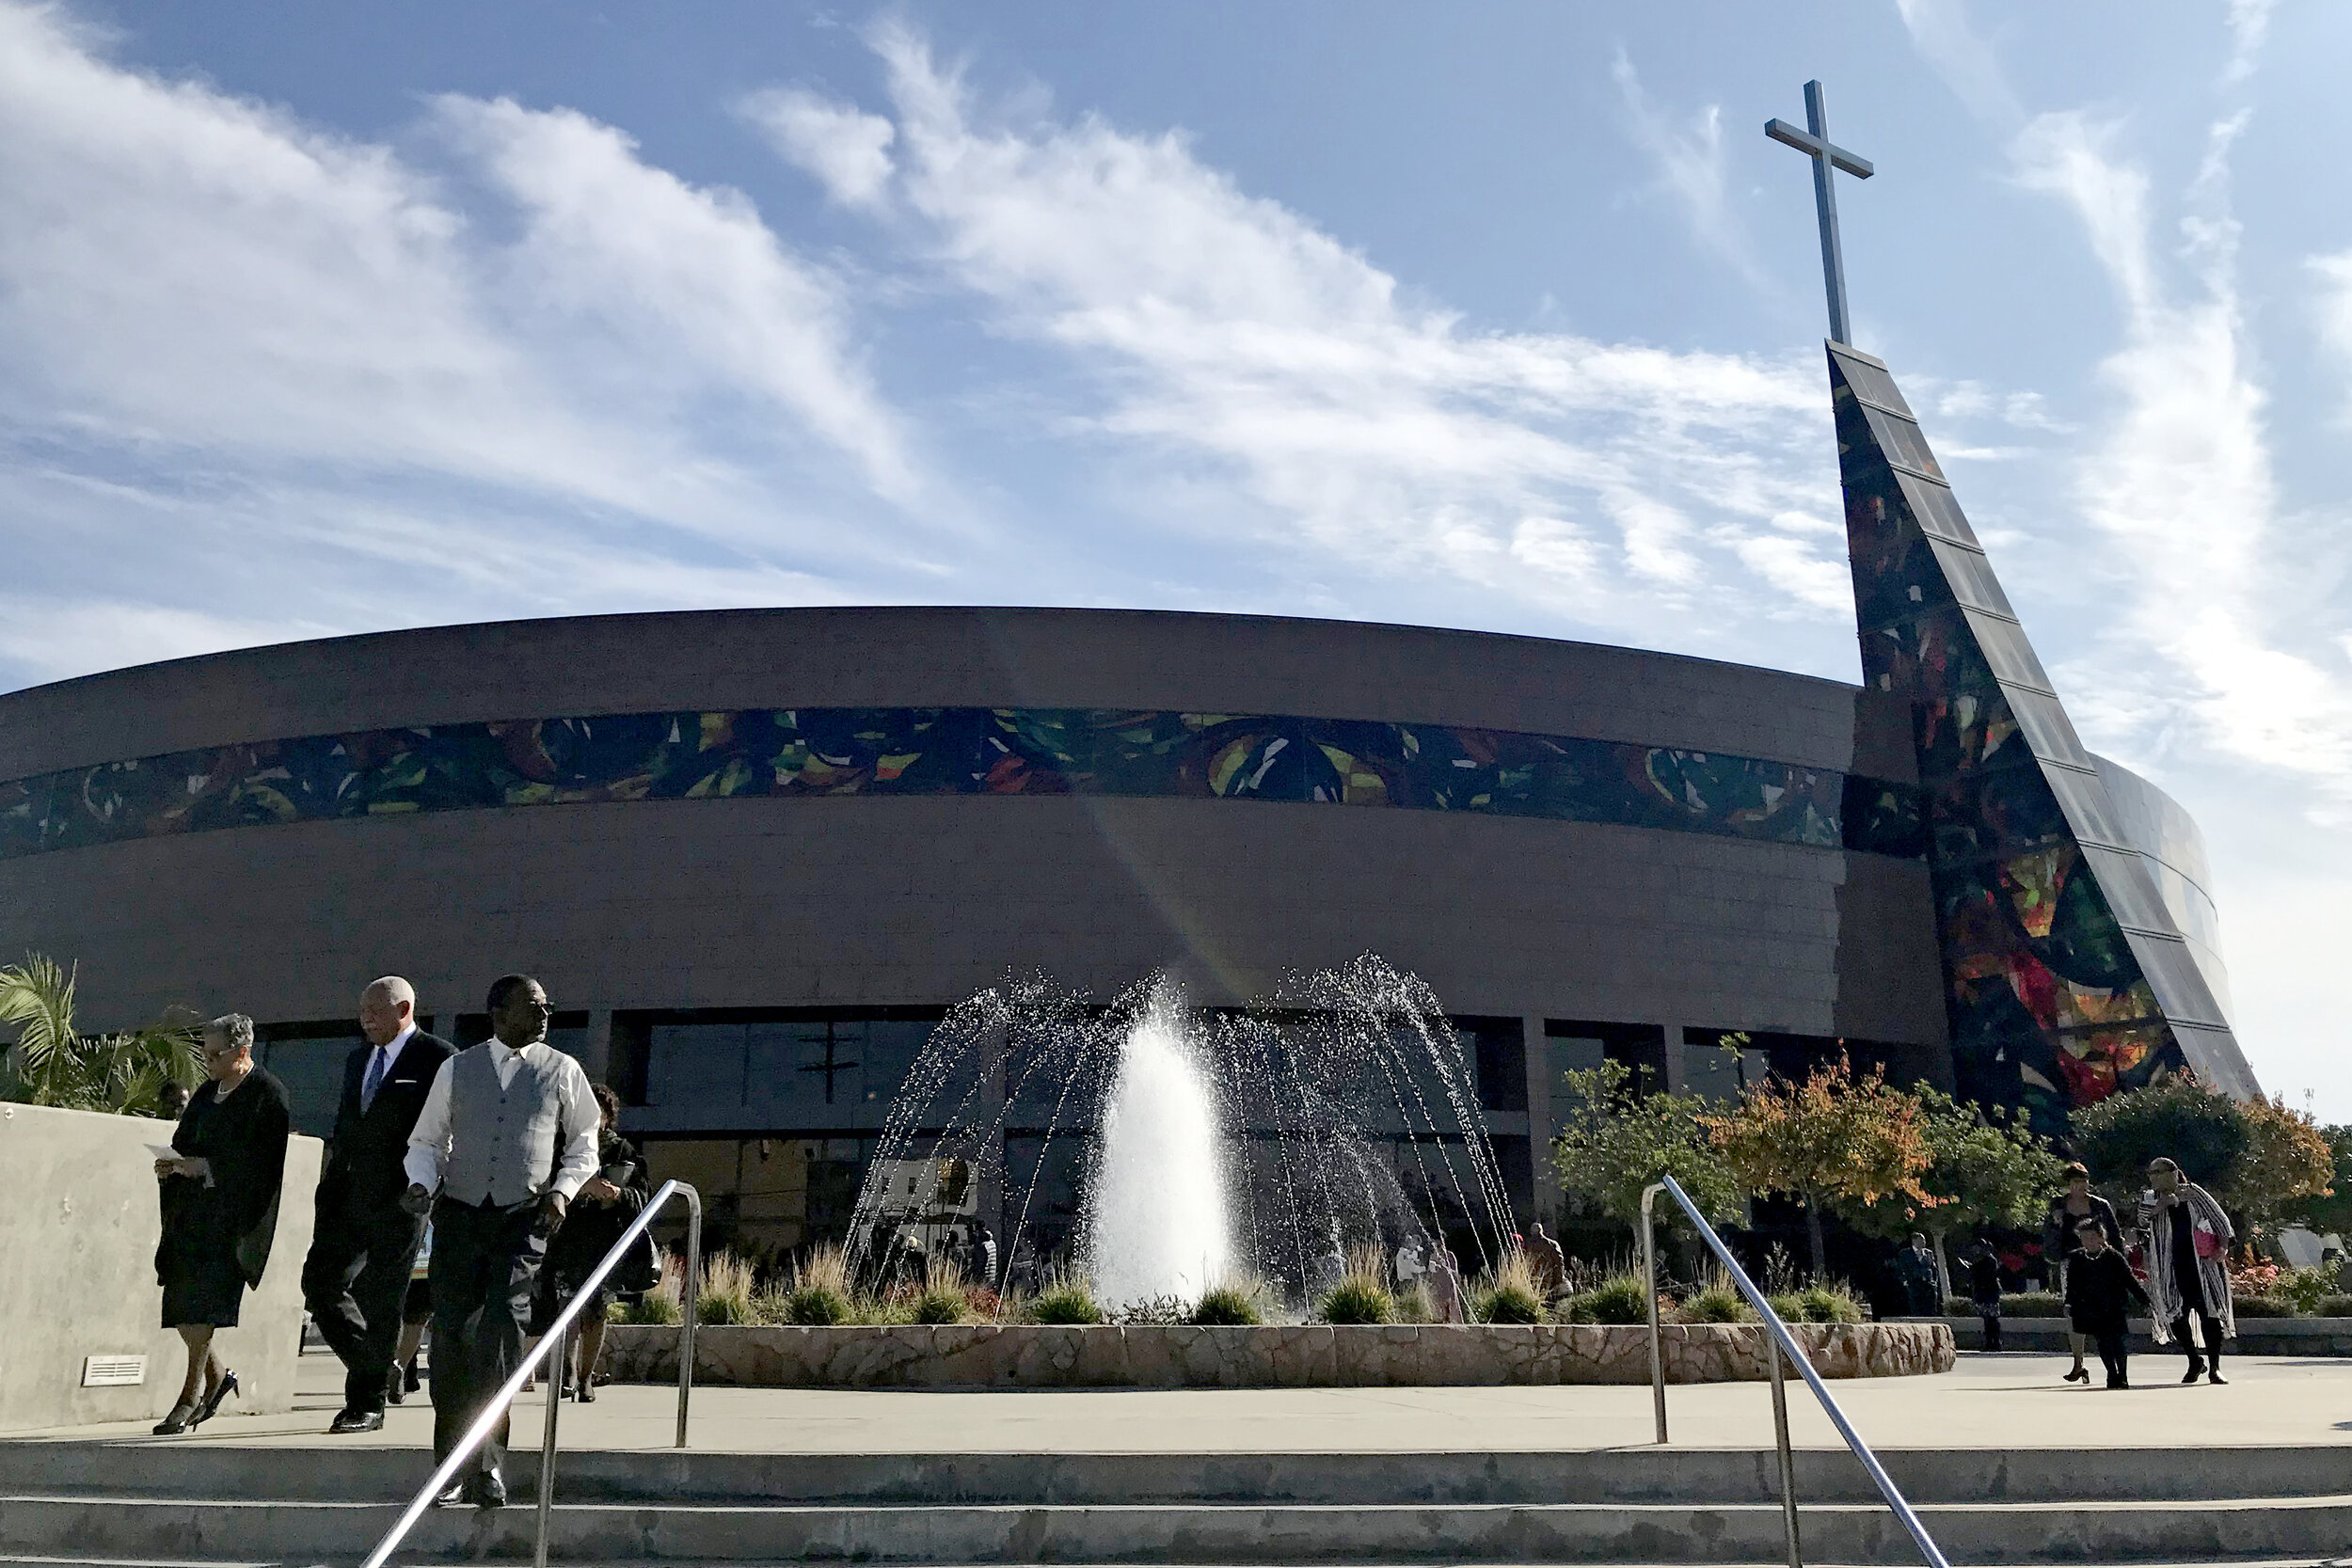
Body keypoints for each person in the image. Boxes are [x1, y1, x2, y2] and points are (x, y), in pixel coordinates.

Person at [403, 974, 598, 1509]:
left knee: (501, 1331)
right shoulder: (457, 1068)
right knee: (452, 1337)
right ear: (497, 1012)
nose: (544, 1013)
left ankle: (488, 1466)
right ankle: (448, 1468)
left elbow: (585, 1143)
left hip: (524, 1217)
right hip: (460, 1216)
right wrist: (422, 1182)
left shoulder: (562, 1069)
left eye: (546, 1004)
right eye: (533, 1005)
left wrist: (562, 1191)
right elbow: (426, 1140)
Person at [301, 978, 454, 1434]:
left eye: (374, 1009)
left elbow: (447, 1127)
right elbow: (347, 1124)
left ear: (403, 1009)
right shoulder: (357, 1057)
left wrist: (430, 1184)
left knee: (382, 1298)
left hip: (402, 1199)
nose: (364, 1018)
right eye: (361, 1010)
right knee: (320, 1284)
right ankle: (380, 1367)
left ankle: (366, 1404)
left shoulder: (438, 1058)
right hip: (346, 1196)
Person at [151, 1015, 290, 1435]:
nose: (208, 1062)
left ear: (242, 1051)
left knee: (204, 1309)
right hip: (191, 1218)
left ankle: (189, 1396)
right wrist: (171, 1165)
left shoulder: (267, 1094)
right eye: (205, 1053)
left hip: (231, 1223)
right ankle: (219, 1377)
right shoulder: (207, 1093)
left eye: (215, 1054)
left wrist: (206, 1167)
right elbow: (186, 1140)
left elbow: (264, 1165)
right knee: (180, 1309)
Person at [529, 1083, 648, 1403]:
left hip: (602, 1243)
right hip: (566, 1240)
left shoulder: (623, 1151)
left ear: (609, 1118)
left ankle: (585, 1378)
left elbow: (643, 1196)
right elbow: (541, 1184)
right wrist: (574, 1189)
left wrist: (616, 1194)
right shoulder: (561, 1147)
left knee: (596, 1311)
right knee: (566, 1306)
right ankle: (566, 1371)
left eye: (600, 1114)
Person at [2137, 1156, 2234, 1386]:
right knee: (2174, 1315)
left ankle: (2215, 1367)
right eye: (2151, 1173)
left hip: (2201, 1265)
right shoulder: (2150, 1198)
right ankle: (2193, 1360)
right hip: (2169, 1266)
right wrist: (2162, 1205)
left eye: (2159, 1172)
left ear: (2173, 1172)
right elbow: (2141, 1221)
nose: (2154, 1177)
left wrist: (2222, 1248)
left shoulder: (2194, 1193)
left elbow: (2220, 1220)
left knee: (2209, 1314)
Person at [2042, 1162, 2123, 1384]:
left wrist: (2119, 1265)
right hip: (2072, 1262)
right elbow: (2048, 1233)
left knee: (2103, 1310)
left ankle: (2113, 1362)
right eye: (2077, 1182)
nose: (2082, 1186)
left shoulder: (2100, 1205)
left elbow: (2114, 1235)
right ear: (2069, 1184)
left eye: (2085, 1181)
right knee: (2074, 1312)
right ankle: (2078, 1363)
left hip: (2100, 1261)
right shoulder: (2058, 1205)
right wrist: (2055, 1226)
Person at [2064, 1216, 2149, 1388]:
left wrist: (2145, 1301)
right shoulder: (2077, 1258)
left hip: (2114, 1307)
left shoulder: (2114, 1256)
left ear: (2101, 1237)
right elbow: (2072, 1285)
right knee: (2102, 1343)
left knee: (2118, 1342)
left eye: (2093, 1237)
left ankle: (2123, 1376)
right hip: (2091, 1308)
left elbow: (2129, 1280)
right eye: (2085, 1238)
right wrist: (2069, 1304)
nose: (2089, 1241)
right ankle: (2111, 1374)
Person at [389, 1226, 433, 1404]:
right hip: (397, 1261)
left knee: (415, 1321)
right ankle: (396, 1367)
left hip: (426, 1264)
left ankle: (399, 1367)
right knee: (402, 1321)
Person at [1964, 1241, 2004, 1352]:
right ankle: (1989, 1342)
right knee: (1986, 1319)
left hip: (1990, 1292)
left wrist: (1972, 1268)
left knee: (1992, 1319)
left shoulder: (1990, 1260)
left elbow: (1987, 1275)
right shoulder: (1979, 1260)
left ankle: (1996, 1342)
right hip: (1982, 1292)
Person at [1894, 1232, 1942, 1316]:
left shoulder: (1928, 1253)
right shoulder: (1905, 1253)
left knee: (1931, 1307)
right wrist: (1904, 1280)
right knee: (1916, 1306)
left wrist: (1934, 1281)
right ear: (1914, 1241)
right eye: (1921, 1240)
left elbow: (1934, 1268)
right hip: (1914, 1283)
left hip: (1928, 1284)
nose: (1924, 1242)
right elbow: (1901, 1268)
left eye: (1924, 1241)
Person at [1527, 1221, 1569, 1300]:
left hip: (1540, 1280)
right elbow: (1559, 1262)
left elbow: (1559, 1262)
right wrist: (1559, 1277)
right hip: (1549, 1279)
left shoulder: (1529, 1246)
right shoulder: (1552, 1244)